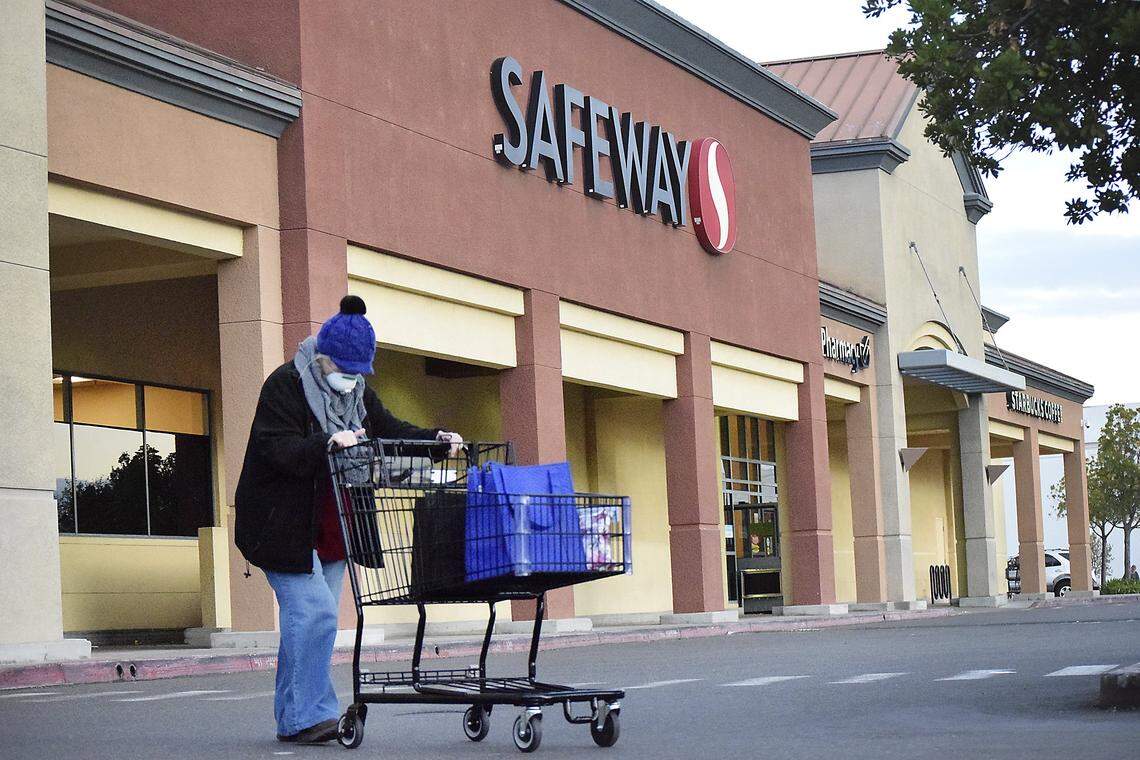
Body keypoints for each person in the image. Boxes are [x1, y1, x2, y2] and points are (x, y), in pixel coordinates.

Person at [235, 295, 462, 744]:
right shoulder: (285, 385)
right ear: (322, 357)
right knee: (315, 614)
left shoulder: (357, 392)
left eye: (360, 372)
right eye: (345, 370)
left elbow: (388, 427)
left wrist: (435, 441)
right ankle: (309, 717)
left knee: (310, 622)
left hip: (334, 527)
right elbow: (274, 449)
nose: (351, 380)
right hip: (280, 525)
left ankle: (290, 716)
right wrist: (326, 442)